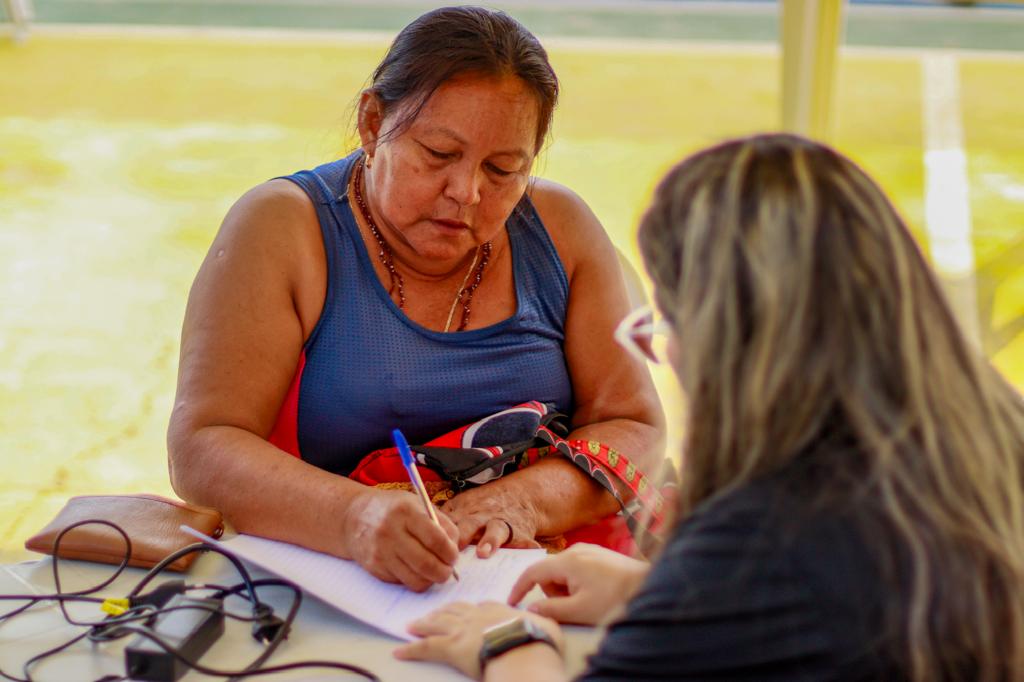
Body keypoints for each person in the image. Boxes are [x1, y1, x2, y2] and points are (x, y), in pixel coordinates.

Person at [393, 134, 1024, 680]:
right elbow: (859, 603)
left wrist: (507, 641)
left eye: (667, 316)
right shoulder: (988, 422)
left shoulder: (765, 532)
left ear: (728, 339)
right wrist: (656, 594)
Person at [166, 6, 664, 593]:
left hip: (553, 572)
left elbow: (634, 423)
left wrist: (526, 501)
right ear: (373, 123)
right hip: (348, 581)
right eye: (438, 154)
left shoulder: (560, 228)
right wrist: (353, 516)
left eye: (504, 169)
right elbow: (203, 445)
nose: (466, 192)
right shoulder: (283, 228)